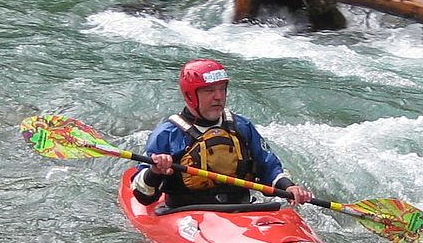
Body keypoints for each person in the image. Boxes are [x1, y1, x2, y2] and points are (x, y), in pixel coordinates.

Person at [132, 58, 314, 210]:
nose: (219, 96)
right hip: (187, 212)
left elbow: (270, 168)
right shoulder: (168, 134)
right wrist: (155, 171)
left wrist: (289, 187)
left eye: (222, 89)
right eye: (209, 91)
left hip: (242, 209)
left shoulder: (241, 126)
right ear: (190, 96)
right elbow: (143, 196)